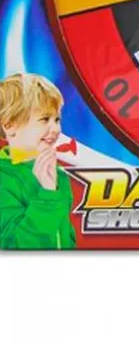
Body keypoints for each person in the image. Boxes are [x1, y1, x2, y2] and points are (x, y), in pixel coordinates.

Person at [0, 73, 76, 249]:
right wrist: (47, 194)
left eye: (57, 119)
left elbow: (65, 233)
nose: (55, 128)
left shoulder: (58, 174)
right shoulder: (4, 178)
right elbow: (15, 247)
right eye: (44, 119)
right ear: (10, 126)